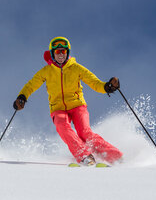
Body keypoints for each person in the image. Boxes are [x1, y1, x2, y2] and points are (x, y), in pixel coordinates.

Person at [13, 37, 123, 166]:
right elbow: (31, 85)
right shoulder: (47, 71)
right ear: (53, 53)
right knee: (62, 127)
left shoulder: (76, 68)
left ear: (67, 52)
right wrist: (22, 97)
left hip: (77, 106)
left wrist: (107, 87)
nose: (61, 54)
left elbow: (94, 82)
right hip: (58, 108)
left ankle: (115, 157)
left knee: (84, 132)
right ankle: (85, 156)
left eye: (63, 51)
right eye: (58, 52)